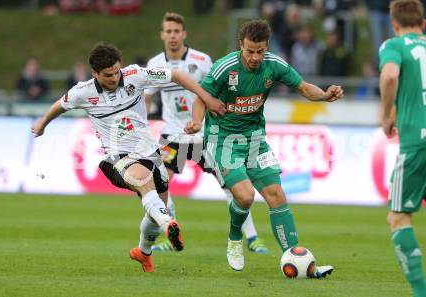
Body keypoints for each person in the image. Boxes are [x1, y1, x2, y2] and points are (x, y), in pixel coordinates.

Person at [31, 43, 226, 273]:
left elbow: (175, 74)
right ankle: (169, 225)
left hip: (150, 153)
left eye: (116, 72)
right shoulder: (83, 92)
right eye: (107, 75)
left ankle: (144, 252)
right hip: (118, 158)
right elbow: (60, 105)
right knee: (145, 182)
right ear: (94, 73)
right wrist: (43, 123)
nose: (114, 78)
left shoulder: (135, 75)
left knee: (155, 209)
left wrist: (205, 96)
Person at [184, 19, 342, 275]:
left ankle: (299, 262)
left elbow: (302, 87)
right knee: (245, 196)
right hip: (223, 139)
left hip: (255, 138)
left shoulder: (275, 65)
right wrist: (196, 121)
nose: (255, 57)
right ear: (241, 46)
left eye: (260, 51)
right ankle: (235, 237)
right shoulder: (225, 67)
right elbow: (202, 97)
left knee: (276, 195)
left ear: (267, 47)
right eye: (250, 51)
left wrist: (324, 95)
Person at [144, 12, 269, 254]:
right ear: (162, 35)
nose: (172, 36)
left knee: (230, 186)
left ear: (184, 34)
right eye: (168, 31)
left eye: (176, 31)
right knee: (160, 184)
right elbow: (146, 100)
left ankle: (253, 238)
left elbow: (218, 91)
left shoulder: (202, 61)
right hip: (173, 137)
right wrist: (143, 128)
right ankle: (170, 234)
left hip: (205, 136)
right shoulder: (154, 65)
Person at [379, 1, 426, 296]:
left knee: (398, 217)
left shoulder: (393, 45)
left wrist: (386, 114)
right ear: (422, 23)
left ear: (394, 24)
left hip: (416, 142)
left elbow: (390, 75)